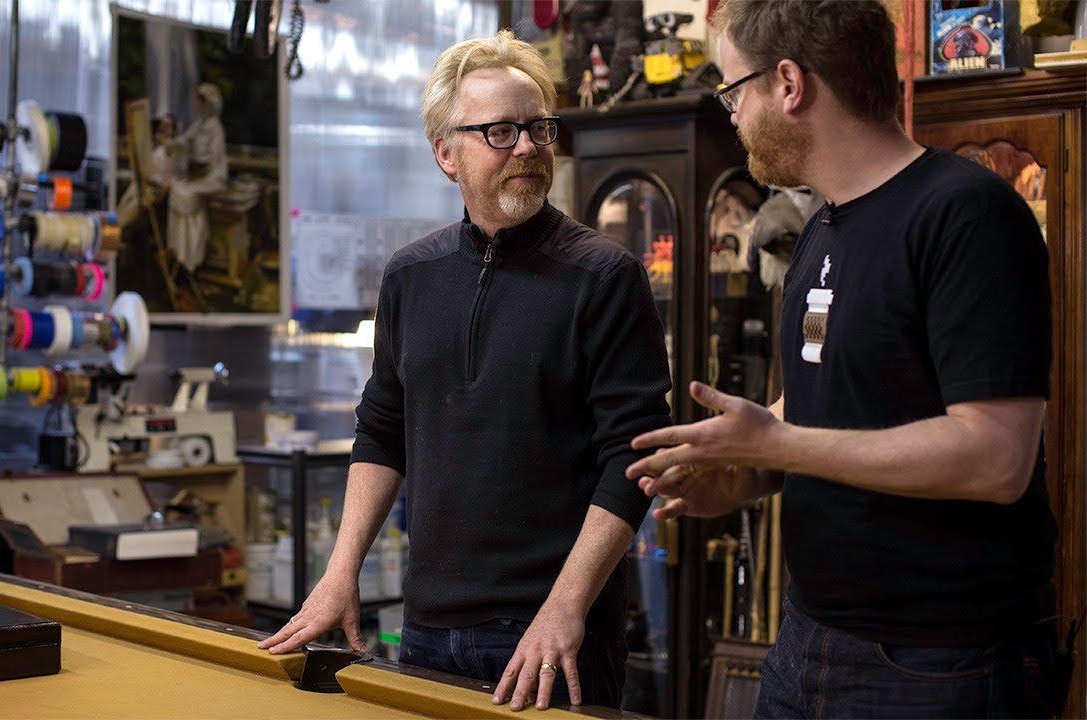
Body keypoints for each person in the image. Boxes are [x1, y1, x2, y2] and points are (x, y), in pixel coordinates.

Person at [626, 1, 1063, 717]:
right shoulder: (822, 230)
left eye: (734, 91)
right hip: (807, 638)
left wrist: (781, 443)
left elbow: (996, 458)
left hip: (938, 663)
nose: (731, 114)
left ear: (789, 84)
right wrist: (745, 471)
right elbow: (836, 403)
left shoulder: (967, 215)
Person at [258, 30, 673, 712]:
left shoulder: (603, 276)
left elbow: (632, 458)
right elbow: (382, 430)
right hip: (425, 630)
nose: (529, 149)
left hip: (549, 637)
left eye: (538, 128)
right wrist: (340, 574)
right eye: (501, 132)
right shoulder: (410, 275)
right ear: (446, 154)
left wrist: (566, 608)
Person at [167, 82, 228, 273]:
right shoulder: (199, 124)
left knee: (184, 193)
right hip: (197, 175)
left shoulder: (215, 127)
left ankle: (191, 253)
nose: (199, 107)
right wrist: (170, 145)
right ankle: (178, 246)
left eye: (201, 103)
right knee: (177, 189)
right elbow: (185, 141)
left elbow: (215, 157)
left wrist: (201, 165)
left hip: (211, 176)